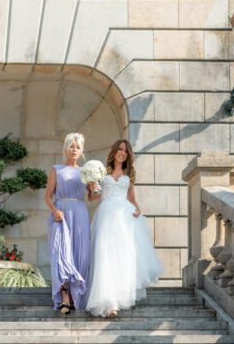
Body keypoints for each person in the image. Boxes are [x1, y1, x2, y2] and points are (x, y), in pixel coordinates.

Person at [85, 139, 162, 318]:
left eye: (126, 151)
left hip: (124, 217)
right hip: (105, 215)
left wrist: (138, 209)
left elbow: (131, 198)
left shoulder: (129, 174)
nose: (122, 153)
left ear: (128, 155)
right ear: (115, 151)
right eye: (120, 149)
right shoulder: (103, 172)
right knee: (105, 256)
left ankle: (118, 300)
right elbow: (92, 198)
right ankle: (108, 302)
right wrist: (93, 189)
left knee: (122, 258)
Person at [45, 133, 98, 313]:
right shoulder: (57, 169)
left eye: (78, 147)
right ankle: (65, 296)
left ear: (81, 151)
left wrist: (95, 189)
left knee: (79, 255)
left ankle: (76, 297)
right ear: (66, 148)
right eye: (71, 146)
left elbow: (91, 198)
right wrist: (55, 211)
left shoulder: (85, 171)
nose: (74, 149)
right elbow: (47, 196)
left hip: (80, 214)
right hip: (61, 214)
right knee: (62, 255)